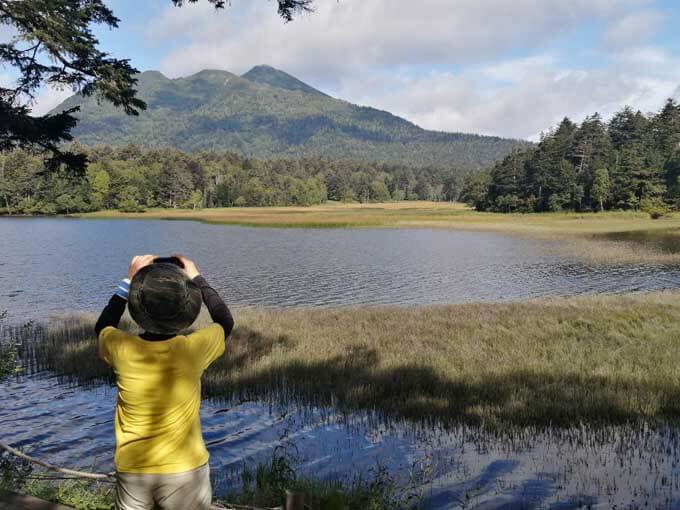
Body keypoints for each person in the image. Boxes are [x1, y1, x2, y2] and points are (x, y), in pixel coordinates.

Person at [94, 254, 234, 510]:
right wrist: (196, 277)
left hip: (133, 468)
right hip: (186, 470)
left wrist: (128, 278)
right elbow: (225, 322)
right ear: (186, 310)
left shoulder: (120, 347)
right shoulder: (193, 350)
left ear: (138, 309)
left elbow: (103, 326)